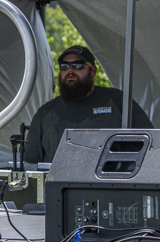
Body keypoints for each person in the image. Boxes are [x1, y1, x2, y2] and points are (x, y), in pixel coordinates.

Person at [23, 45, 153, 164]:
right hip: (59, 183)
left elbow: (151, 143)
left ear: (93, 71)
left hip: (111, 180)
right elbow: (29, 164)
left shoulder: (116, 100)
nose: (70, 70)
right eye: (64, 66)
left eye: (77, 65)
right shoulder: (45, 113)